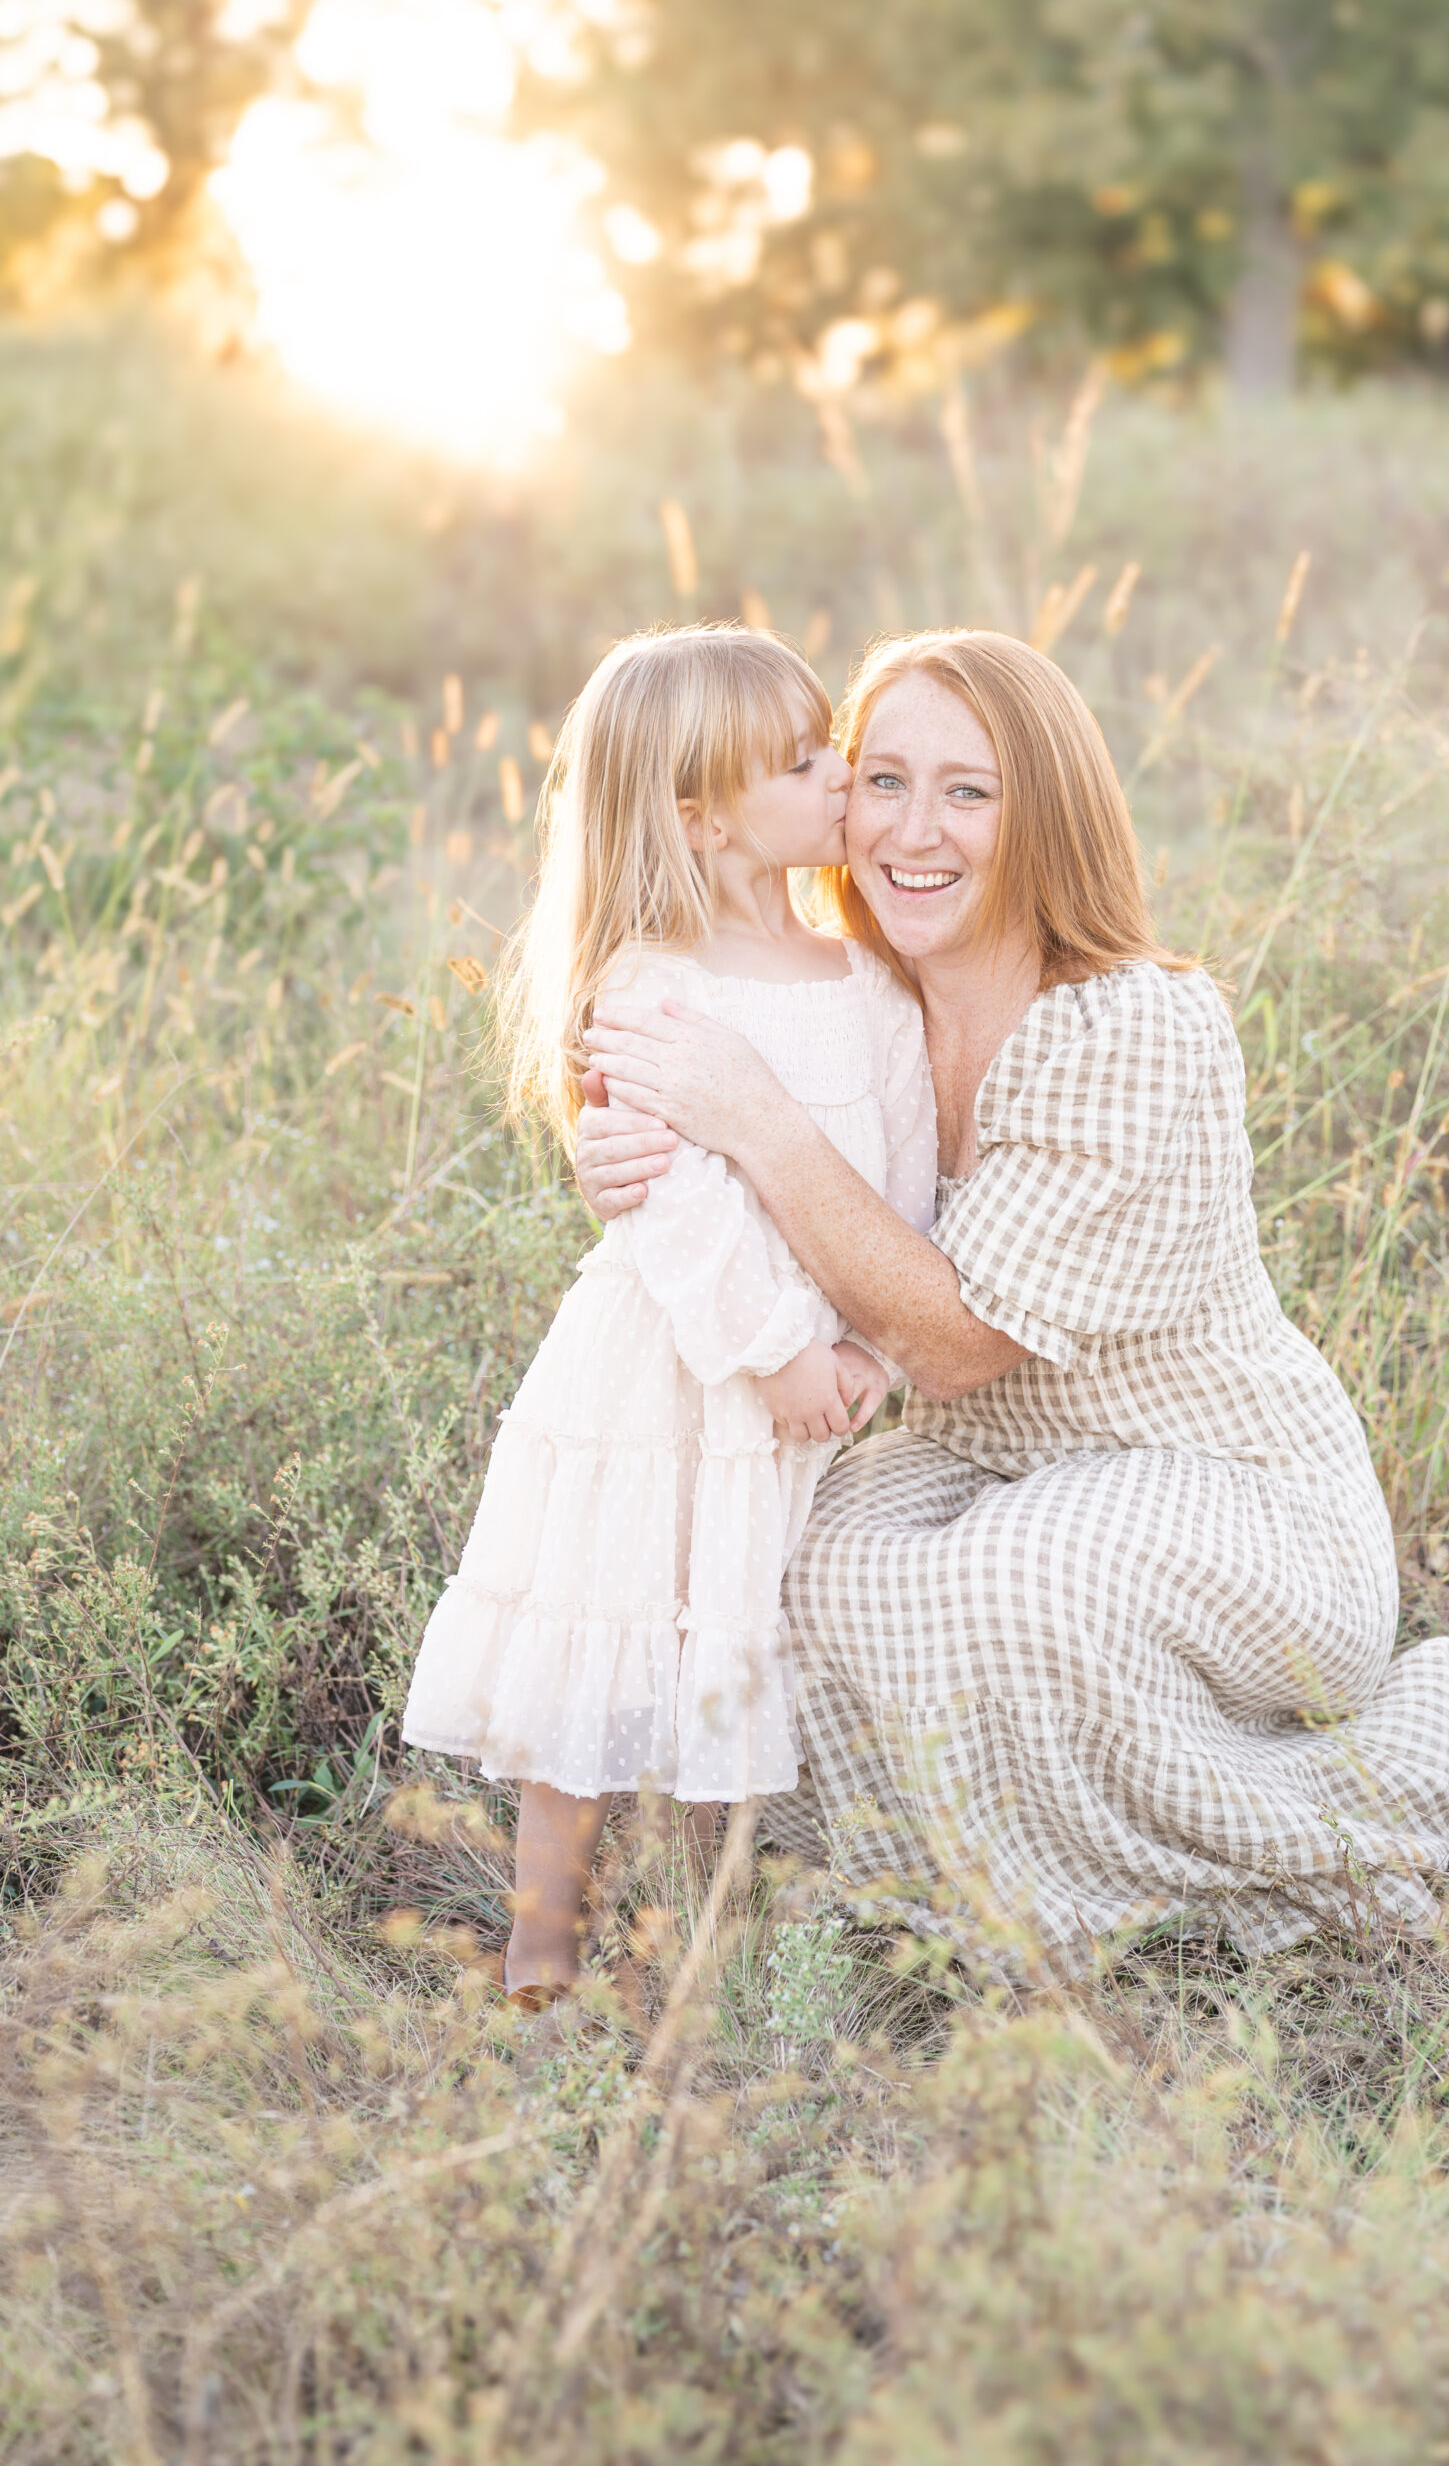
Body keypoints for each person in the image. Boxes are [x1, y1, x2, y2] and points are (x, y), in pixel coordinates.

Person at [576, 629, 1449, 1962]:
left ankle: (1266, 1850)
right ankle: (952, 1895)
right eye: (881, 780)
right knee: (803, 1571)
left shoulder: (1129, 1028)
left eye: (969, 791)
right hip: (994, 1477)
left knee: (1029, 1569)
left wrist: (756, 1120)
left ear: (1043, 813)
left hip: (1241, 1501)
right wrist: (625, 1159)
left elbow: (947, 1346)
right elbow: (689, 1163)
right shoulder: (854, 1003)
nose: (913, 829)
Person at [402, 626, 937, 2000]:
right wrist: (773, 1354)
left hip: (818, 1376)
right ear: (700, 819)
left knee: (731, 1628)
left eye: (835, 748)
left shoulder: (869, 983)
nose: (844, 775)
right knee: (608, 1612)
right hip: (676, 1367)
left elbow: (905, 1175)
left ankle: (700, 1922)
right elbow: (668, 1203)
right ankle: (543, 1932)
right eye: (807, 761)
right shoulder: (654, 983)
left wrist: (869, 1346)